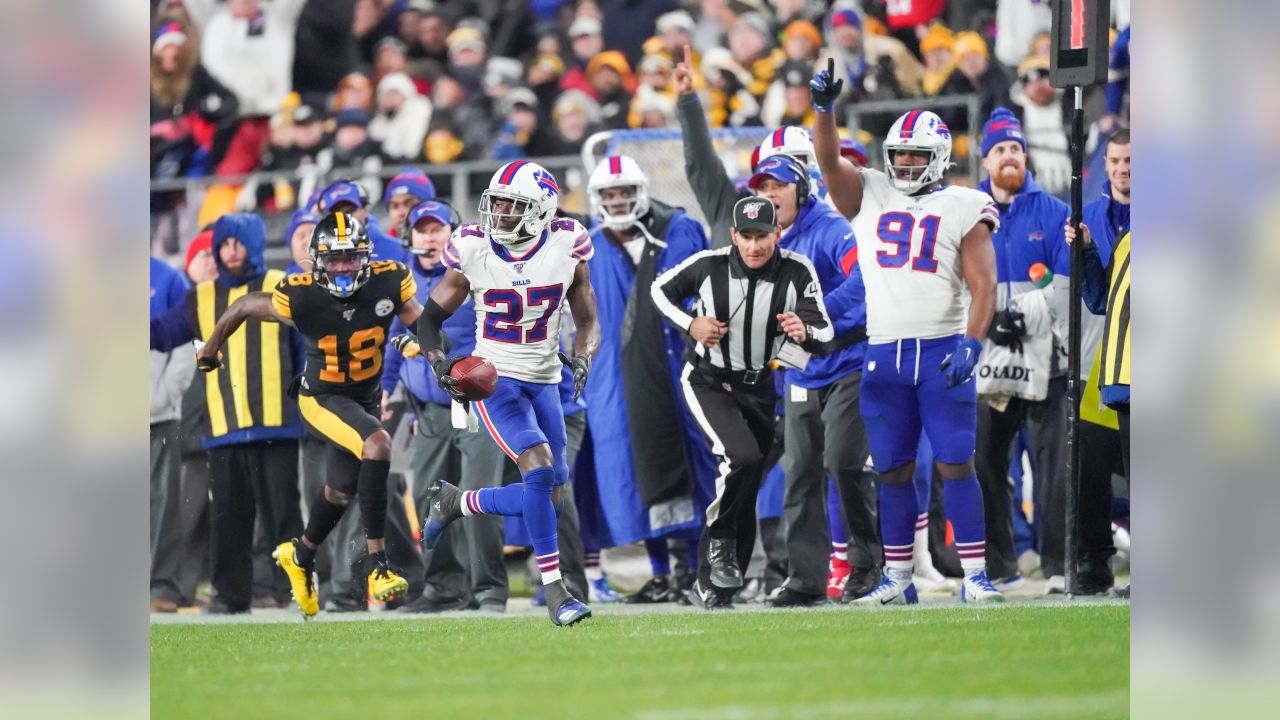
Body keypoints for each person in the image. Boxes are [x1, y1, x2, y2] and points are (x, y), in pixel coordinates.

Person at [810, 63, 1006, 604]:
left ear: (940, 156)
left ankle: (975, 575)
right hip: (884, 352)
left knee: (955, 462)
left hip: (942, 349)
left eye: (916, 155)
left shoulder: (964, 204)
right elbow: (828, 162)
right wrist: (823, 112)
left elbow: (983, 285)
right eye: (899, 155)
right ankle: (898, 580)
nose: (906, 164)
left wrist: (973, 341)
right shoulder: (870, 192)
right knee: (892, 470)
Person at [397, 160, 601, 627]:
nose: (501, 213)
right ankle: (557, 593)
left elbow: (588, 318)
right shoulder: (471, 246)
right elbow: (428, 320)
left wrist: (584, 356)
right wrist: (440, 364)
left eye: (514, 205)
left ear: (542, 210)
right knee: (538, 468)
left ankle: (457, 503)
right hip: (496, 379)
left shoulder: (568, 242)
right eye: (498, 202)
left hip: (547, 378)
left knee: (552, 495)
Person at [193, 211, 424, 619]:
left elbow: (422, 325)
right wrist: (211, 346)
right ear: (316, 261)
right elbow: (245, 304)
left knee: (340, 489)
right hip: (321, 395)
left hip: (364, 397)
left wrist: (440, 357)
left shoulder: (389, 280)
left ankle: (301, 555)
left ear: (365, 257)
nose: (342, 267)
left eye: (350, 258)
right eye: (333, 260)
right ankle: (377, 567)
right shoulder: (300, 294)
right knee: (378, 444)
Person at [650, 196, 837, 609]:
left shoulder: (796, 270)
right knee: (742, 458)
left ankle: (714, 588)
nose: (755, 246)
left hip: (759, 386)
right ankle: (718, 549)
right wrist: (691, 323)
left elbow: (826, 337)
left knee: (746, 483)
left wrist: (803, 330)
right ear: (734, 236)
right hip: (708, 380)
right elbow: (659, 291)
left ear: (778, 234)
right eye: (747, 237)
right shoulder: (709, 265)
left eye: (763, 236)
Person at [150, 214, 305, 613]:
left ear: (253, 245)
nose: (231, 253)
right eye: (224, 245)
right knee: (229, 518)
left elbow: (302, 347)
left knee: (283, 515)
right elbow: (164, 334)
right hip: (224, 427)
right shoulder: (200, 297)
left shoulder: (279, 286)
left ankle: (296, 590)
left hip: (278, 423)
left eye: (238, 244)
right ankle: (229, 596)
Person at [581, 154, 715, 604]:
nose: (618, 202)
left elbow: (695, 288)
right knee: (628, 472)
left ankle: (696, 567)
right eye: (609, 195)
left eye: (624, 193)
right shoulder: (587, 243)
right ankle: (661, 571)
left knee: (690, 464)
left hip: (674, 363)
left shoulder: (676, 229)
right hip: (613, 375)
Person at [383, 200, 512, 614]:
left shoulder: (475, 271)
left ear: (455, 235)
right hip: (432, 410)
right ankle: (443, 586)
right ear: (410, 236)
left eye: (438, 228)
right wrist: (387, 386)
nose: (430, 236)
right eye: (422, 229)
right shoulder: (399, 279)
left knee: (477, 496)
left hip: (477, 404)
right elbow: (393, 338)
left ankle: (489, 587)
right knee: (428, 496)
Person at [974, 107, 1072, 593]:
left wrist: (1026, 314)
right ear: (984, 157)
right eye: (1000, 149)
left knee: (1052, 466)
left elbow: (1065, 284)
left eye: (1016, 147)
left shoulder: (1054, 211)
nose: (1009, 156)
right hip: (989, 362)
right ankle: (999, 565)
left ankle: (1057, 563)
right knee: (986, 463)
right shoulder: (967, 211)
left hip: (1045, 359)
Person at [149, 255, 194, 613]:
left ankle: (163, 586)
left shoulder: (167, 278)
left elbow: (185, 337)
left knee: (163, 506)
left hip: (158, 415)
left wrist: (163, 396)